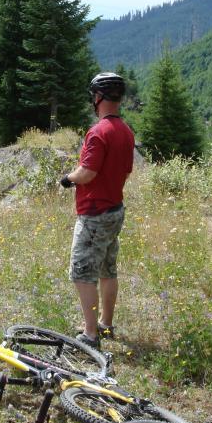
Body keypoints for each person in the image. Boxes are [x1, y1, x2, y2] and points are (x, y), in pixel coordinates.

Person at [60, 72, 134, 348]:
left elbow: (87, 172)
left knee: (82, 272)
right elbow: (125, 171)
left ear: (99, 97)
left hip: (94, 214)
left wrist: (69, 178)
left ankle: (90, 335)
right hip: (115, 209)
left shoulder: (98, 131)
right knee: (107, 268)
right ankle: (106, 323)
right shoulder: (126, 131)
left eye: (94, 95)